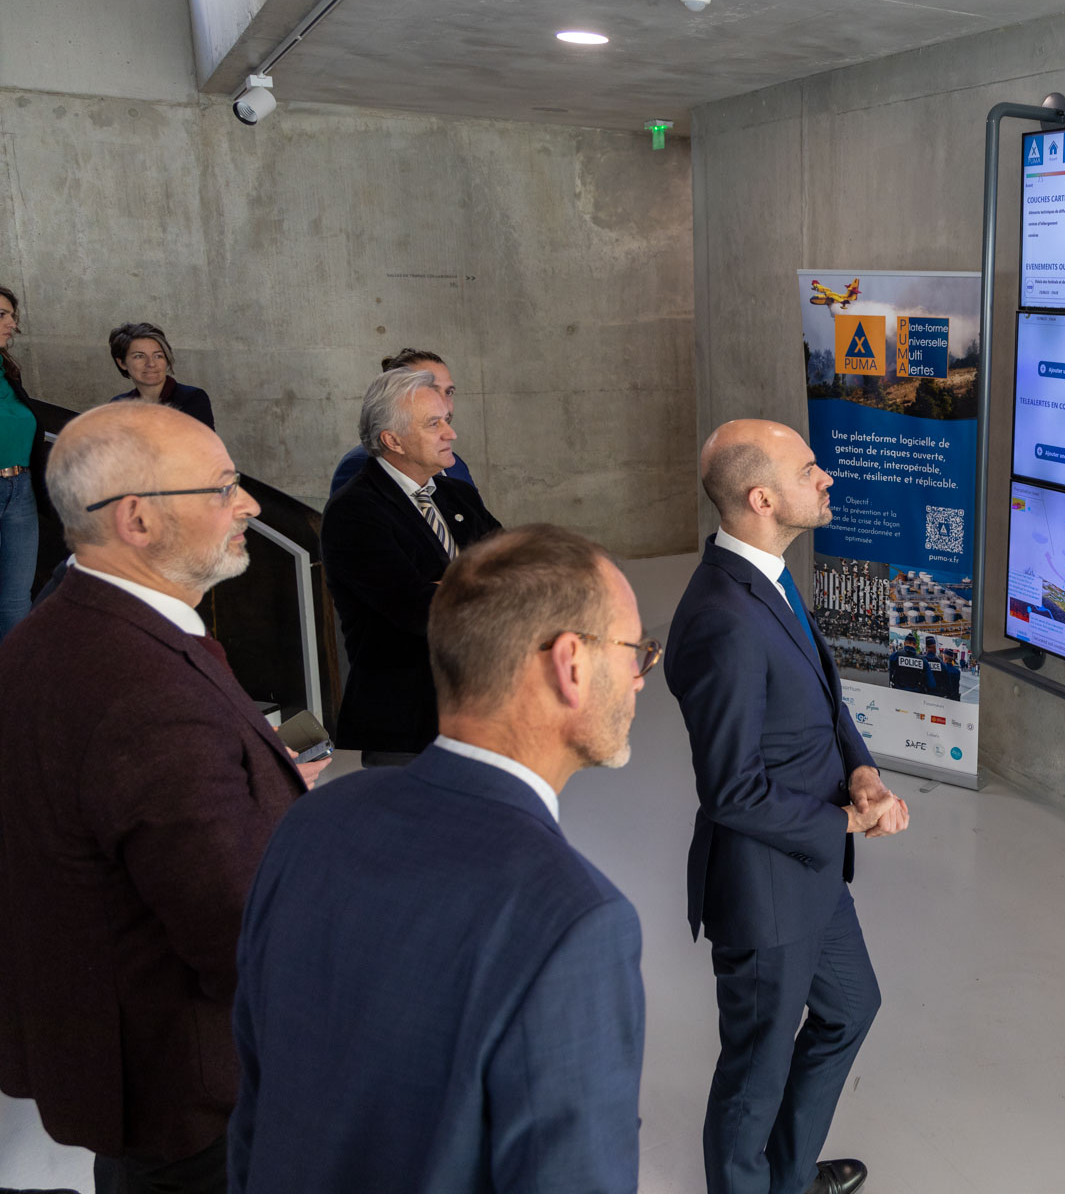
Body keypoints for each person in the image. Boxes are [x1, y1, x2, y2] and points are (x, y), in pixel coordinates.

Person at [230, 524, 648, 1193]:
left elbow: (254, 1104)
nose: (639, 679)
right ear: (571, 664)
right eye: (635, 651)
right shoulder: (577, 921)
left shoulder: (314, 821)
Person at [0, 402, 319, 1194]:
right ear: (137, 519)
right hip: (201, 1102)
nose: (249, 504)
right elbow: (242, 933)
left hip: (136, 1085)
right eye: (222, 487)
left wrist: (251, 780)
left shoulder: (57, 631)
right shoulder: (144, 689)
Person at [666, 419, 909, 1194]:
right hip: (765, 888)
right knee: (756, 1068)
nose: (826, 477)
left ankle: (788, 1176)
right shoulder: (722, 619)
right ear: (761, 498)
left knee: (850, 1008)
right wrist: (844, 820)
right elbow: (731, 789)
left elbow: (821, 695)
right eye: (809, 469)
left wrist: (861, 770)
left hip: (810, 870)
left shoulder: (765, 576)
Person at [322, 366, 500, 763]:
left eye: (447, 420)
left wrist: (449, 587)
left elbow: (520, 570)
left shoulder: (458, 496)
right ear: (393, 440)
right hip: (408, 728)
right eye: (434, 424)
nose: (451, 433)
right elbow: (420, 611)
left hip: (481, 713)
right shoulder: (354, 511)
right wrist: (485, 587)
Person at [329, 348, 476, 496]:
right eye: (428, 391)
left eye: (448, 392)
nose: (442, 404)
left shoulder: (455, 465)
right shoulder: (360, 465)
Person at [0, 285, 39, 639]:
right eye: (2, 315)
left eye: (12, 315)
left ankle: (14, 670)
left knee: (16, 599)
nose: (12, 323)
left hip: (20, 489)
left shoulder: (9, 370)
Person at [106, 322, 216, 429]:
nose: (151, 364)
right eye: (139, 356)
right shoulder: (118, 404)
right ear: (122, 363)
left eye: (158, 356)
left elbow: (203, 441)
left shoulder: (192, 398)